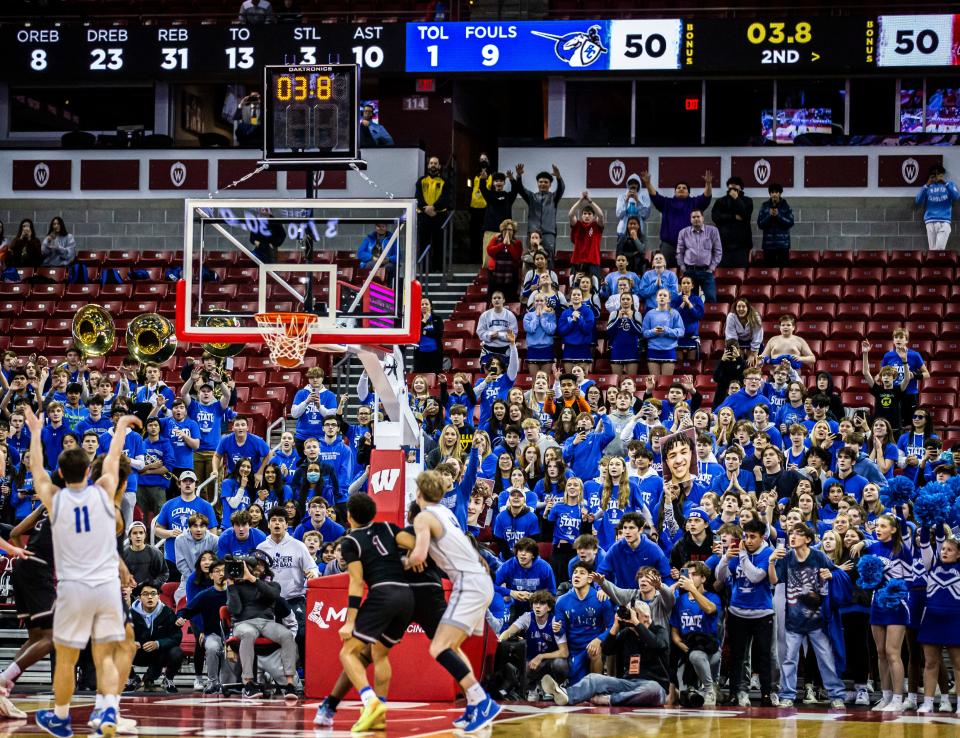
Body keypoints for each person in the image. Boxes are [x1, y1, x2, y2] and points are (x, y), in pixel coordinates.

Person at [26, 406, 136, 737]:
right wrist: (119, 428)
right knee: (105, 654)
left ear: (60, 472)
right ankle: (108, 711)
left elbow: (35, 469)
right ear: (90, 471)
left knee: (67, 659)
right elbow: (114, 457)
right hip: (106, 588)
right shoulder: (104, 491)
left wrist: (35, 433)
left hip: (73, 588)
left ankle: (60, 717)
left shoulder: (54, 499)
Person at [408, 471, 501, 733]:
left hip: (469, 584)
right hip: (478, 581)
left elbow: (419, 556)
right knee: (454, 646)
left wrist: (399, 562)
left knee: (438, 647)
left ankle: (482, 701)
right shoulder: (444, 512)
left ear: (418, 493)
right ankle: (474, 704)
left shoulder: (424, 516)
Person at [768, 524, 847, 709]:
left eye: (798, 533)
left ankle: (836, 695)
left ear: (808, 539)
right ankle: (787, 695)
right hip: (793, 621)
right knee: (789, 660)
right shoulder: (786, 558)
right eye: (790, 533)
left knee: (826, 659)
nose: (792, 536)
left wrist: (830, 575)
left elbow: (837, 574)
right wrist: (771, 562)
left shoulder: (819, 556)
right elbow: (773, 580)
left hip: (817, 621)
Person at [715, 517, 777, 707]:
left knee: (763, 655)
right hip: (737, 611)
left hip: (762, 612)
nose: (748, 541)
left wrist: (741, 556)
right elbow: (720, 577)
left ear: (762, 537)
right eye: (746, 537)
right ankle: (735, 693)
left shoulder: (768, 552)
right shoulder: (738, 552)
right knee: (737, 656)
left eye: (753, 537)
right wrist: (725, 558)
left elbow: (756, 576)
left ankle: (767, 694)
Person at [225, 550, 298, 701]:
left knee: (286, 635)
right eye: (254, 564)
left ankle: (289, 684)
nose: (257, 567)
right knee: (249, 633)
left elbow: (273, 596)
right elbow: (235, 610)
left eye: (260, 565)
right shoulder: (237, 586)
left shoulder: (272, 585)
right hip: (243, 623)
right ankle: (248, 684)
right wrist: (231, 586)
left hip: (267, 623)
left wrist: (253, 579)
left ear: (265, 569)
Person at [547, 561, 616, 685]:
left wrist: (599, 639)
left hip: (594, 647)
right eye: (574, 573)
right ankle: (563, 686)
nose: (576, 576)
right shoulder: (562, 601)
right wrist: (557, 628)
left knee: (595, 651)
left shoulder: (601, 599)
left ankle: (597, 688)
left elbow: (612, 626)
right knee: (576, 684)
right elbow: (561, 630)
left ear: (590, 579)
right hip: (574, 650)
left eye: (582, 573)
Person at [496, 590, 569, 701]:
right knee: (520, 671)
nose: (537, 607)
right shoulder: (527, 617)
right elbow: (509, 631)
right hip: (531, 663)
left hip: (549, 662)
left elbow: (564, 652)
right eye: (535, 603)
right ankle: (535, 687)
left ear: (549, 607)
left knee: (560, 664)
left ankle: (559, 686)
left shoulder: (555, 621)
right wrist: (500, 639)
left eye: (542, 603)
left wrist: (541, 656)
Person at [641, 169, 713, 268]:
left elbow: (706, 197)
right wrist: (648, 183)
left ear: (688, 192)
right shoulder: (667, 203)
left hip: (689, 246)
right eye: (678, 188)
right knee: (664, 272)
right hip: (668, 246)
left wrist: (708, 183)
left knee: (688, 274)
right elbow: (654, 196)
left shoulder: (694, 203)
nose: (681, 189)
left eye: (684, 188)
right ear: (675, 192)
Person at [128, 581, 184, 693]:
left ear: (159, 596)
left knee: (177, 652)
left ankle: (168, 679)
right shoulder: (130, 614)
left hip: (159, 653)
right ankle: (132, 678)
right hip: (138, 652)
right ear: (139, 597)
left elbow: (176, 637)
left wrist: (158, 644)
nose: (150, 597)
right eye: (145, 594)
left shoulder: (167, 612)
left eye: (153, 594)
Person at [514, 163, 564, 261]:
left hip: (548, 234)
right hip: (533, 234)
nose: (543, 184)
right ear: (537, 183)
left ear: (550, 184)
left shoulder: (554, 197)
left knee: (548, 260)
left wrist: (558, 177)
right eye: (540, 182)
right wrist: (519, 176)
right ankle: (532, 277)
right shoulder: (531, 197)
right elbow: (520, 189)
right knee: (531, 260)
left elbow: (561, 189)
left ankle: (548, 277)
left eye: (546, 182)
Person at [676, 209, 722, 303]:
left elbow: (718, 251)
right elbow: (679, 252)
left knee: (711, 298)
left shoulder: (713, 231)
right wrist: (683, 267)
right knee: (690, 300)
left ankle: (710, 318)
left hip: (706, 271)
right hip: (689, 272)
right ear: (690, 219)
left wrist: (712, 268)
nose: (696, 219)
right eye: (693, 217)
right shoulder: (683, 233)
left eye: (698, 216)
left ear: (703, 218)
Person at [415, 156, 452, 271]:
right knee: (423, 243)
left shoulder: (445, 182)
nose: (433, 165)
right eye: (431, 163)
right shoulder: (421, 181)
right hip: (423, 216)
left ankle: (438, 268)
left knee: (439, 243)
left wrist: (434, 208)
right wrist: (426, 209)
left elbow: (446, 199)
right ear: (428, 166)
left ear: (439, 166)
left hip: (439, 216)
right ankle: (424, 268)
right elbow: (418, 198)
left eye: (435, 163)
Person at [915, 163, 960, 251]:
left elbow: (956, 196)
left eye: (939, 174)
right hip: (930, 221)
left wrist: (945, 183)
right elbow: (918, 200)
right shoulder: (927, 187)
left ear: (942, 175)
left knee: (938, 249)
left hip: (945, 221)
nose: (937, 176)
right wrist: (927, 184)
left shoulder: (949, 184)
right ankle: (934, 264)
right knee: (932, 251)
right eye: (935, 174)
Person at [711, 176, 755, 268]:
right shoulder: (720, 201)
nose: (733, 189)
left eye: (736, 186)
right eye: (731, 186)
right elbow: (716, 217)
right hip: (724, 245)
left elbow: (746, 216)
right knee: (723, 273)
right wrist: (733, 216)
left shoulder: (747, 201)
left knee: (741, 272)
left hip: (742, 246)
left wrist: (737, 199)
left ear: (740, 187)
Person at [642, 288, 685, 377]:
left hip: (669, 350)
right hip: (653, 350)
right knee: (655, 382)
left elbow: (681, 331)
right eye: (660, 295)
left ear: (669, 299)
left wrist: (667, 330)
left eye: (665, 295)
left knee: (666, 382)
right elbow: (644, 333)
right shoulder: (649, 314)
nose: (662, 297)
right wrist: (653, 331)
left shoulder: (674, 313)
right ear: (656, 298)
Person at [568, 191, 605, 282]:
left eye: (589, 214)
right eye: (584, 213)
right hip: (577, 261)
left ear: (593, 216)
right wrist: (580, 200)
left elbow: (600, 215)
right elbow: (570, 214)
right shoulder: (577, 225)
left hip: (593, 261)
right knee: (575, 286)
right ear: (581, 215)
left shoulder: (596, 226)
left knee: (594, 288)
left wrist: (590, 201)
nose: (587, 216)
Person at [558, 288, 595, 373]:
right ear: (570, 297)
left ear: (582, 298)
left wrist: (579, 318)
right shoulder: (565, 313)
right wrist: (572, 321)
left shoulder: (588, 312)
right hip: (569, 350)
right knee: (569, 379)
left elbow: (587, 330)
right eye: (574, 295)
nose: (576, 296)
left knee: (583, 379)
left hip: (583, 349)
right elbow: (562, 331)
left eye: (578, 295)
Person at [757, 183, 794, 266]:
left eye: (776, 192)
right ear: (770, 194)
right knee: (769, 272)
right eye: (772, 192)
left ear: (780, 193)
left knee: (783, 271)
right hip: (768, 246)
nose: (774, 194)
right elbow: (760, 224)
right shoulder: (764, 206)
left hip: (783, 246)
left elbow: (790, 222)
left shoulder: (785, 206)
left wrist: (779, 215)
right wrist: (769, 215)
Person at [486, 219, 523, 301]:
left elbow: (517, 256)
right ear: (501, 231)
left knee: (509, 298)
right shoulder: (495, 239)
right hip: (495, 274)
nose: (507, 231)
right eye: (505, 229)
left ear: (513, 231)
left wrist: (509, 245)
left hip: (510, 275)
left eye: (510, 230)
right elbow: (490, 251)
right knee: (494, 297)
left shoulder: (517, 242)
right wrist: (502, 244)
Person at [477, 291, 518, 363]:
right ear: (492, 300)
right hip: (488, 349)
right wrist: (489, 335)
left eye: (499, 298)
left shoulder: (510, 315)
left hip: (505, 350)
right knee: (487, 373)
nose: (496, 300)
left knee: (504, 373)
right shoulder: (485, 315)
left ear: (503, 300)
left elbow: (513, 335)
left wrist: (499, 335)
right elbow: (480, 332)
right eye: (494, 298)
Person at [481, 172, 520, 247]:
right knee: (488, 256)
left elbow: (515, 190)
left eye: (501, 181)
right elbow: (482, 188)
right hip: (490, 229)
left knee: (504, 255)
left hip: (505, 231)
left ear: (504, 183)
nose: (499, 183)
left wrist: (512, 179)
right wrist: (483, 179)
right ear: (493, 183)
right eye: (496, 181)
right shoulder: (489, 195)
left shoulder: (508, 196)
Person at [413, 297, 444, 374]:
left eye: (426, 304)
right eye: (422, 304)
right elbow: (415, 333)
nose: (424, 306)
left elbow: (438, 334)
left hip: (435, 353)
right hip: (420, 353)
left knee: (435, 376)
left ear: (431, 306)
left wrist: (424, 332)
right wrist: (424, 321)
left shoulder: (437, 319)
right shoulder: (416, 319)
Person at [616, 174, 651, 239]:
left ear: (639, 185)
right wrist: (626, 200)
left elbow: (645, 215)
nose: (633, 185)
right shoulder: (622, 197)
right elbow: (619, 215)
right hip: (623, 233)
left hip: (639, 233)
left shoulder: (644, 197)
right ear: (628, 185)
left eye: (635, 183)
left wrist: (637, 201)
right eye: (631, 183)